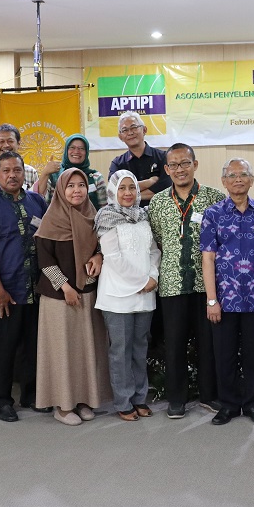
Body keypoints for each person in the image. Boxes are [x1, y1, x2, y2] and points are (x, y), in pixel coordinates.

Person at [147, 143, 224, 418]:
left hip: (206, 285)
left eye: (185, 163)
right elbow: (156, 239)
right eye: (174, 165)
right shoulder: (157, 202)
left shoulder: (214, 198)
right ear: (167, 169)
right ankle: (176, 399)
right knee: (175, 344)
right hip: (172, 284)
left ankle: (209, 395)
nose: (180, 169)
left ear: (195, 165)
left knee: (207, 343)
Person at [0, 151, 49, 422]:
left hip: (36, 289)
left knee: (33, 345)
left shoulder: (37, 201)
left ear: (24, 172)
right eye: (6, 170)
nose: (12, 175)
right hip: (4, 292)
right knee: (2, 348)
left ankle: (31, 394)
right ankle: (1, 401)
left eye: (17, 170)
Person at [200, 159, 254, 425]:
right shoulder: (213, 214)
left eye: (243, 174)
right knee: (225, 355)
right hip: (225, 299)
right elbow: (208, 258)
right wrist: (211, 300)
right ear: (224, 182)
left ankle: (253, 404)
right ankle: (229, 405)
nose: (238, 179)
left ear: (251, 180)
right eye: (232, 175)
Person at [33, 168, 106, 426]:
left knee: (86, 350)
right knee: (62, 352)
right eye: (71, 186)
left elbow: (103, 246)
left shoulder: (93, 217)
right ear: (61, 190)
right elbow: (44, 259)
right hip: (59, 298)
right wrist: (65, 287)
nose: (77, 190)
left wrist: (99, 256)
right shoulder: (51, 220)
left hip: (88, 294)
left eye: (81, 185)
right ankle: (63, 407)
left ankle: (84, 399)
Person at [95, 171, 160, 421]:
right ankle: (123, 401)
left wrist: (153, 275)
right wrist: (142, 281)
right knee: (120, 350)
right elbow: (113, 258)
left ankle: (140, 397)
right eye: (122, 188)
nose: (128, 193)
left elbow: (153, 251)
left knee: (140, 348)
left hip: (145, 294)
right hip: (117, 295)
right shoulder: (106, 216)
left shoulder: (143, 215)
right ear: (113, 191)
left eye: (132, 188)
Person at [108, 111, 171, 207]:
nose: (130, 133)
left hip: (160, 212)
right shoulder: (117, 163)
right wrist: (150, 182)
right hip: (128, 215)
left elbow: (166, 189)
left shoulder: (163, 157)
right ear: (120, 137)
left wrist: (129, 196)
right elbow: (114, 190)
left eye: (134, 127)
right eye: (125, 130)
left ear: (144, 130)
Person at [42, 134, 107, 210]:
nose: (76, 151)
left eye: (81, 148)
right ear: (66, 150)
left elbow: (104, 208)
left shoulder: (96, 177)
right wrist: (45, 173)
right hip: (58, 217)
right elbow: (42, 201)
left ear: (86, 152)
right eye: (72, 147)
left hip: (90, 217)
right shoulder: (54, 175)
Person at [0, 123, 43, 195]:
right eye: (1, 141)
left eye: (10, 141)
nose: (6, 145)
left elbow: (36, 198)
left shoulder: (31, 172)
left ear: (18, 144)